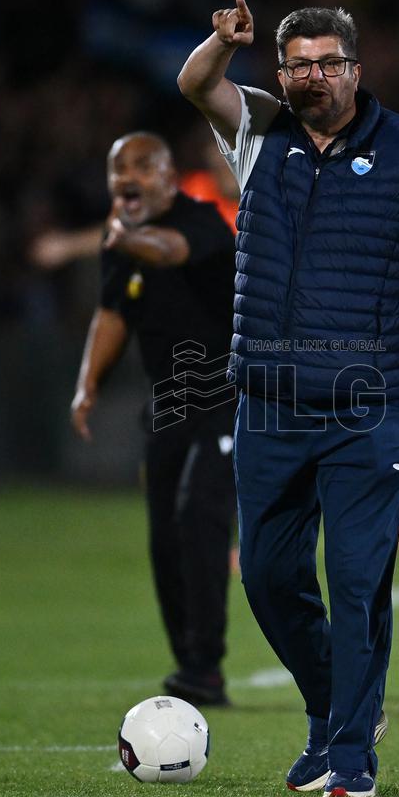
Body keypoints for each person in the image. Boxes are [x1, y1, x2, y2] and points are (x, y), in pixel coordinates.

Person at [178, 0, 399, 797]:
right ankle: (332, 709)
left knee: (355, 578)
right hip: (269, 402)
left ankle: (350, 755)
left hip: (366, 405)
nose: (317, 77)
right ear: (282, 73)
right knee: (270, 581)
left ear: (357, 69)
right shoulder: (260, 132)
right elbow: (194, 83)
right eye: (301, 65)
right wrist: (220, 42)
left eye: (330, 63)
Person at [71, 131, 237, 706]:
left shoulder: (205, 223)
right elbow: (113, 312)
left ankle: (207, 664)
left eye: (142, 166)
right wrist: (87, 383)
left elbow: (169, 251)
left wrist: (125, 237)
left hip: (228, 398)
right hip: (168, 402)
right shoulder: (120, 240)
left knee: (199, 513)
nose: (128, 178)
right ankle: (189, 662)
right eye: (119, 169)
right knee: (164, 534)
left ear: (169, 176)